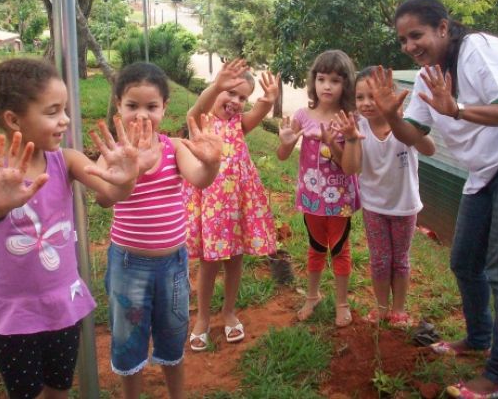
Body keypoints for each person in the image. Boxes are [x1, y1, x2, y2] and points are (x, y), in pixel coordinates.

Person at [368, 0, 498, 398]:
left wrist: (456, 109)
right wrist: (391, 116)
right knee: (463, 261)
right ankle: (479, 337)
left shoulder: (479, 49)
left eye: (417, 35)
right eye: (403, 40)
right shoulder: (428, 75)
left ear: (443, 28)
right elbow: (414, 135)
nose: (410, 46)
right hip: (485, 170)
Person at [0, 58, 145, 399]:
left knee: (58, 390)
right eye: (53, 111)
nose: (66, 120)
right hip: (15, 316)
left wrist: (127, 179)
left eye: (65, 109)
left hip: (63, 306)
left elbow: (110, 193)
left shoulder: (66, 160)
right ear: (14, 120)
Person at [102, 62, 222, 399]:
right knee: (128, 341)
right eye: (132, 106)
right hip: (128, 266)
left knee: (172, 336)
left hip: (172, 265)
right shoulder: (114, 153)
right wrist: (126, 172)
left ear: (164, 108)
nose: (142, 115)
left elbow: (200, 178)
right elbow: (101, 198)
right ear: (118, 105)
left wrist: (212, 163)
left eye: (151, 107)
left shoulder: (174, 148)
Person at [184, 59, 280, 352]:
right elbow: (196, 108)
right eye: (230, 93)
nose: (236, 101)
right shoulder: (201, 121)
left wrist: (268, 99)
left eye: (242, 98)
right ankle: (202, 318)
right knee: (209, 263)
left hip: (238, 206)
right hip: (211, 205)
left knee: (235, 261)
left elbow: (260, 111)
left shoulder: (239, 124)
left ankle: (228, 311)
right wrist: (216, 86)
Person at [334, 66, 435, 328]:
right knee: (380, 259)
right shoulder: (357, 126)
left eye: (373, 96)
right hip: (374, 206)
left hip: (404, 206)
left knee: (400, 260)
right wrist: (352, 139)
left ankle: (399, 310)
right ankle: (381, 308)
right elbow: (352, 169)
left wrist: (401, 123)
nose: (366, 103)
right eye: (360, 97)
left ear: (388, 96)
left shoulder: (402, 124)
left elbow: (430, 149)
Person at [277, 50, 361, 326]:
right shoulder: (302, 115)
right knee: (315, 247)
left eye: (335, 80)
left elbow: (349, 166)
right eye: (321, 78)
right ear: (313, 81)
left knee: (340, 249)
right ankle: (312, 296)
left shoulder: (349, 120)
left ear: (345, 84)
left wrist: (332, 141)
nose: (326, 86)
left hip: (340, 198)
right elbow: (282, 155)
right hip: (312, 198)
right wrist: (287, 141)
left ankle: (341, 302)